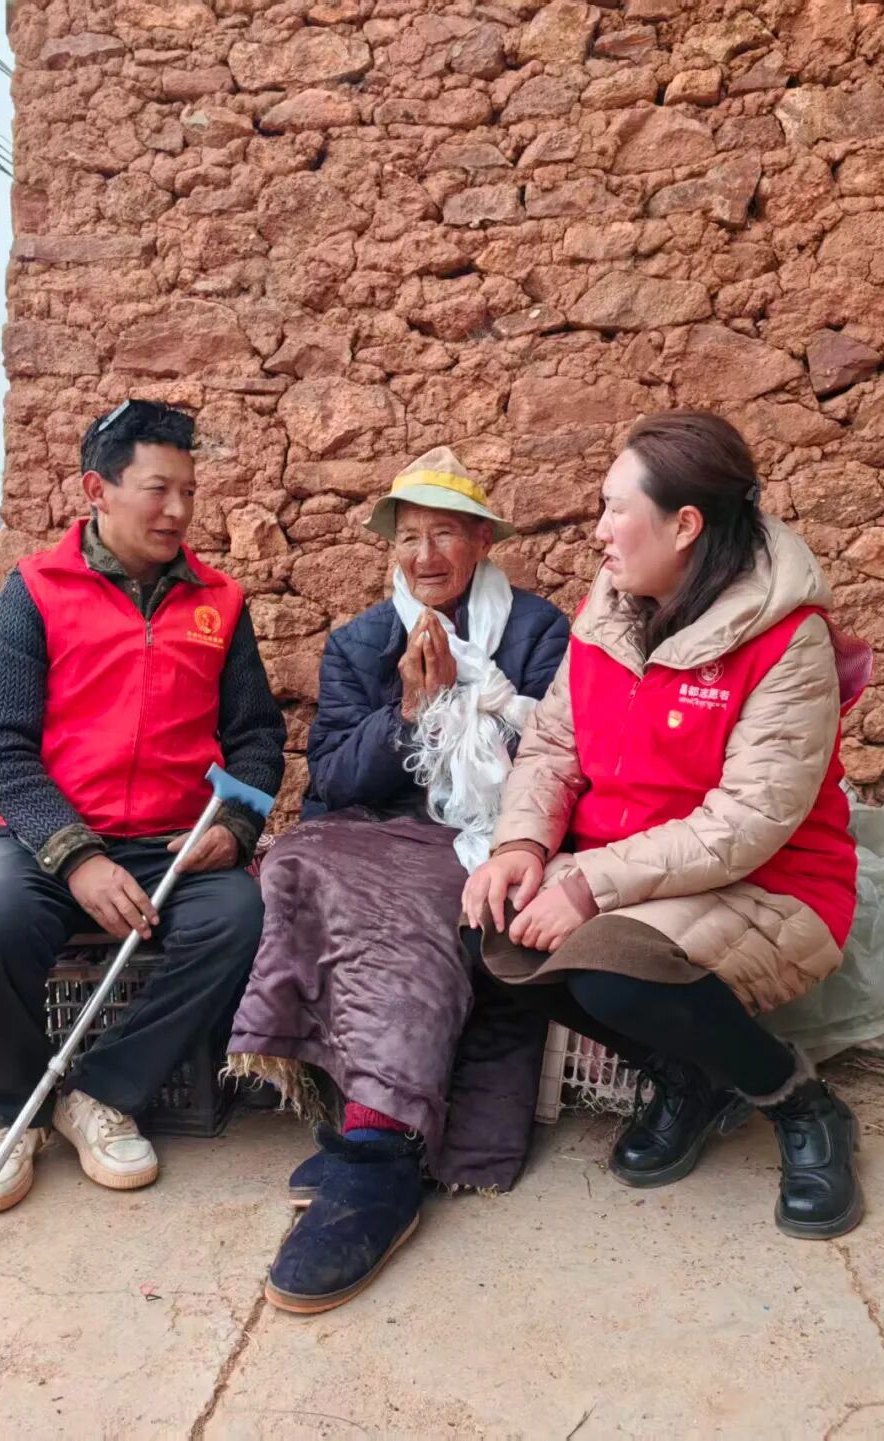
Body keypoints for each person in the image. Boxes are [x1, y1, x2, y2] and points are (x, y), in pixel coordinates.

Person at [464, 409, 869, 1241]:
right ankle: (692, 1077)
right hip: (631, 873)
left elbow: (745, 821)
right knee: (491, 935)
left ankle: (799, 1101)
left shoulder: (786, 639)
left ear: (685, 525)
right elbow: (555, 744)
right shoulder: (610, 608)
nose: (599, 530)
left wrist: (586, 884)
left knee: (610, 971)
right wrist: (522, 844)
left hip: (770, 884)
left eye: (616, 509)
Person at [228, 447, 569, 1314]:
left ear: (482, 542)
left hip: (485, 833)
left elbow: (563, 754)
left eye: (445, 534)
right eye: (409, 536)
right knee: (295, 864)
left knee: (410, 907)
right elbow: (335, 777)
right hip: (371, 827)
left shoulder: (536, 634)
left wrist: (476, 705)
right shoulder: (361, 642)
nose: (425, 556)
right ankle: (363, 1107)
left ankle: (377, 1149)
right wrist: (409, 712)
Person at [0, 399, 285, 1215]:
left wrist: (235, 828)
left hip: (170, 840)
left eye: (188, 491)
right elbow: (0, 746)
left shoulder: (220, 600)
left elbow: (258, 739)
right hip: (47, 839)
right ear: (98, 489)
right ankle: (10, 1112)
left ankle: (99, 1093)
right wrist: (77, 856)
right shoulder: (36, 590)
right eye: (158, 489)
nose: (178, 510)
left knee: (239, 919)